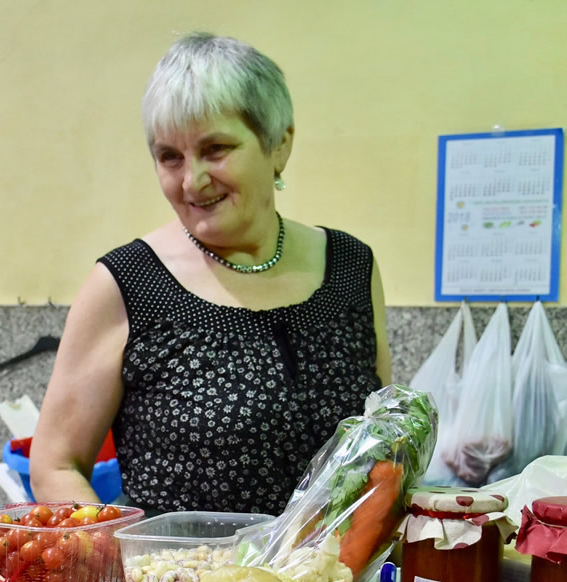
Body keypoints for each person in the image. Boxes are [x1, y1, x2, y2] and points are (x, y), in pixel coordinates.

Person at [30, 32, 391, 516]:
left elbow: (383, 444)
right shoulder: (128, 284)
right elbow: (56, 464)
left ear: (278, 145)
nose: (191, 180)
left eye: (216, 149)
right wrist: (125, 567)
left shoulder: (352, 270)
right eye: (169, 157)